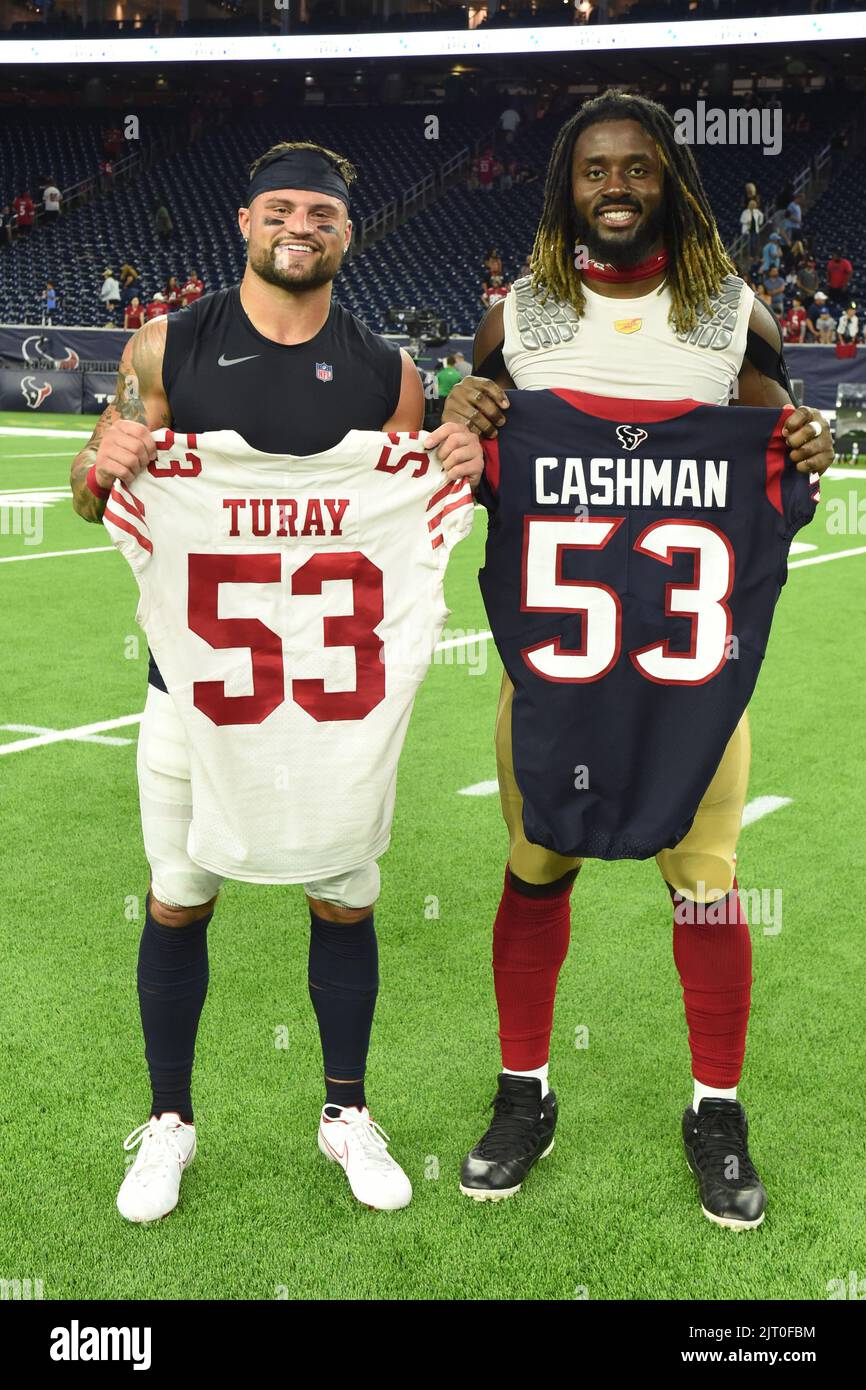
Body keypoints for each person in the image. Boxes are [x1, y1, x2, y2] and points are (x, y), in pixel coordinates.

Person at [68, 140, 483, 1224]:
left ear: (347, 233)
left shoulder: (388, 377)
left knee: (343, 900)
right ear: (245, 222)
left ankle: (344, 1112)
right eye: (280, 209)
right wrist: (95, 465)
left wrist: (450, 465)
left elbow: (416, 513)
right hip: (193, 692)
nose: (300, 226)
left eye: (323, 214)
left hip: (332, 702)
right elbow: (97, 490)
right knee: (176, 896)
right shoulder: (162, 349)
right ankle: (170, 1122)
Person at [443, 89, 832, 1229]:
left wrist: (801, 434)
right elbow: (470, 467)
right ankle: (525, 1092)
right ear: (565, 184)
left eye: (638, 169)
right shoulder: (511, 320)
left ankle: (713, 1108)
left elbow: (774, 438)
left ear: (668, 181)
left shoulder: (728, 310)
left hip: (683, 670)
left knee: (705, 889)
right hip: (557, 667)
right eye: (593, 170)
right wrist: (466, 412)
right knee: (534, 867)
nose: (615, 186)